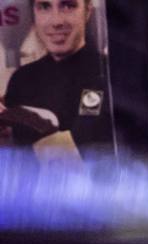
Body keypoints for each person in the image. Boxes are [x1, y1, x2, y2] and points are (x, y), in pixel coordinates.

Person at [0, 0, 111, 152]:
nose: (56, 21)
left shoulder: (106, 73)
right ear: (34, 14)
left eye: (68, 6)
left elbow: (88, 148)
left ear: (87, 12)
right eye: (44, 7)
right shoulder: (20, 79)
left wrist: (43, 126)